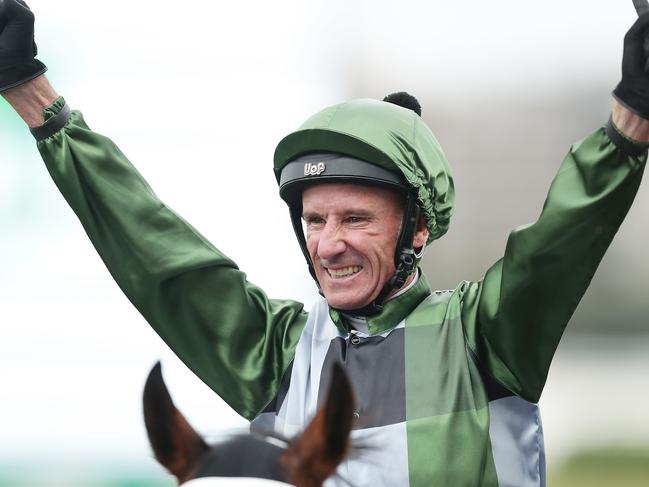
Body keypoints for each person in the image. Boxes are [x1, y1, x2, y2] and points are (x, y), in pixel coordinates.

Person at [2, 1, 649, 486]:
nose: (330, 243)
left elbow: (558, 245)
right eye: (315, 221)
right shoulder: (276, 352)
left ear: (416, 228)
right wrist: (33, 97)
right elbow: (154, 244)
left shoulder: (485, 333)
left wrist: (629, 122)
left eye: (356, 218)